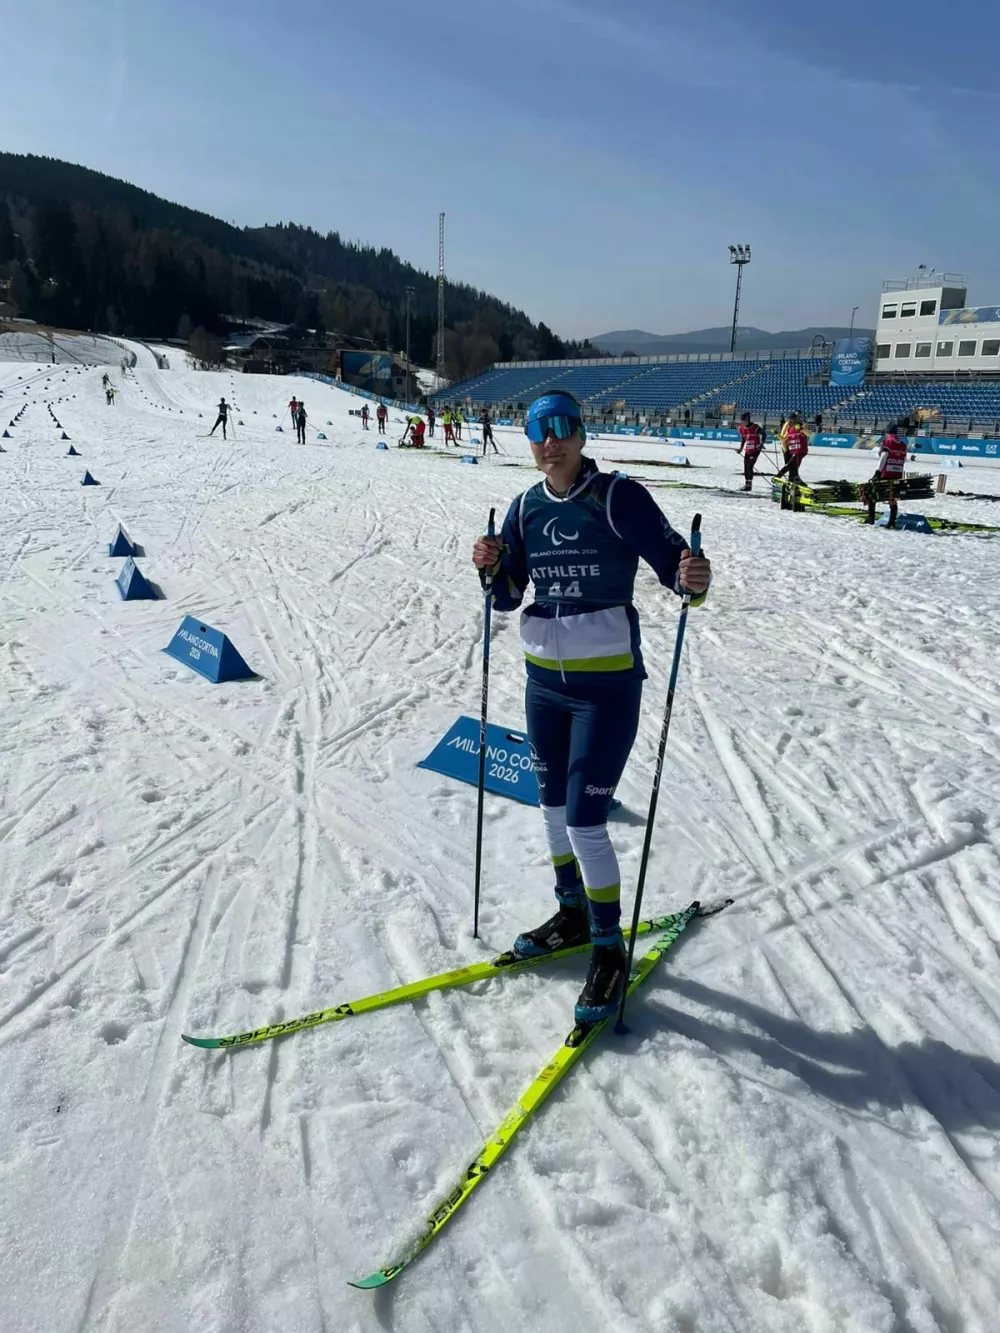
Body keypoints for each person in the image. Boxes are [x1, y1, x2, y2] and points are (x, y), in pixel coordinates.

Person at [470, 391, 711, 1025]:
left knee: (583, 821)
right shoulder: (523, 507)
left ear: (580, 433)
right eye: (537, 432)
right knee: (551, 813)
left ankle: (608, 948)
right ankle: (573, 913)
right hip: (543, 683)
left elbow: (673, 569)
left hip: (605, 688)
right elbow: (509, 597)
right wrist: (491, 569)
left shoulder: (617, 496)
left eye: (561, 429)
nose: (550, 442)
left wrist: (694, 577)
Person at [865, 423, 907, 526]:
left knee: (871, 492)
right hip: (897, 474)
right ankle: (891, 522)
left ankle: (871, 518)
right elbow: (904, 459)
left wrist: (878, 472)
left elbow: (883, 457)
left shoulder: (887, 442)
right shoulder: (903, 444)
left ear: (887, 432)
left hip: (886, 473)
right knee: (892, 496)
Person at [776, 416, 808, 486]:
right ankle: (793, 480)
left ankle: (778, 476)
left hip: (800, 451)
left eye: (793, 420)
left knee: (789, 465)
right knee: (794, 467)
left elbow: (809, 434)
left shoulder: (801, 426)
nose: (791, 421)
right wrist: (777, 434)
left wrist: (802, 429)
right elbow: (784, 439)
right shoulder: (789, 429)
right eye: (790, 420)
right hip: (793, 451)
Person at [736, 413, 764, 491]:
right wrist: (740, 449)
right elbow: (743, 439)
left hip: (755, 450)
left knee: (750, 466)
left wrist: (761, 444)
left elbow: (764, 434)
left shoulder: (755, 427)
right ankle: (747, 485)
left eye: (744, 421)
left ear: (748, 420)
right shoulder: (741, 428)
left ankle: (749, 485)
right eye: (741, 421)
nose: (742, 423)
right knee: (745, 467)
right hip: (748, 450)